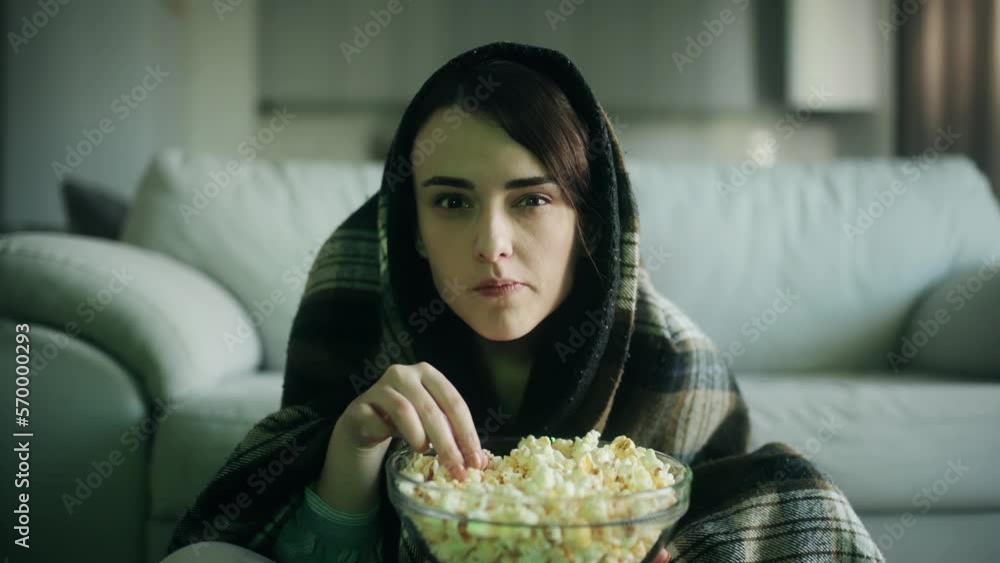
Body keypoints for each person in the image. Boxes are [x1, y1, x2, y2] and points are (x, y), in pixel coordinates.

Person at [162, 41, 884, 562]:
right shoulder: (355, 317)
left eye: (532, 199)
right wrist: (354, 446)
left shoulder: (674, 362)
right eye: (451, 201)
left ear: (588, 220)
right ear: (411, 228)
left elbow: (742, 516)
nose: (492, 244)